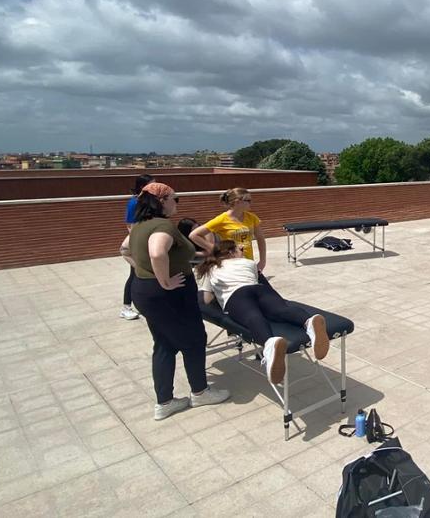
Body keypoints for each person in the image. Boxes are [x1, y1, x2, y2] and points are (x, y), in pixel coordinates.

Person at [119, 182, 230, 420]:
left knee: (164, 344)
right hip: (170, 294)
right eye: (175, 199)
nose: (176, 203)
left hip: (145, 291)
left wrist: (143, 270)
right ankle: (200, 392)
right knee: (194, 339)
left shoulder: (139, 226)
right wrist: (164, 280)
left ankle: (165, 402)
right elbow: (157, 252)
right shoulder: (162, 226)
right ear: (162, 200)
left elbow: (124, 249)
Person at [195, 241, 329, 384]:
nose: (242, 250)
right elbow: (257, 281)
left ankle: (270, 344)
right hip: (260, 290)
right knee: (281, 310)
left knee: (253, 317)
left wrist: (219, 296)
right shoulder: (248, 263)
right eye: (239, 249)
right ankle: (309, 322)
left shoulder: (211, 268)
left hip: (236, 295)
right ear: (231, 252)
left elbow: (207, 299)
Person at [190, 188, 267, 273]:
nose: (251, 203)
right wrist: (214, 248)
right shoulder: (222, 219)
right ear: (238, 202)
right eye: (248, 200)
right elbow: (194, 235)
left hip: (248, 262)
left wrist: (262, 261)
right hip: (230, 264)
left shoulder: (252, 217)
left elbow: (260, 239)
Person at [120, 174, 154, 320]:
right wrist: (139, 242)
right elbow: (130, 225)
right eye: (152, 184)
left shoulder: (149, 201)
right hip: (138, 242)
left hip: (148, 240)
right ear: (143, 186)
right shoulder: (134, 203)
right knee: (135, 273)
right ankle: (126, 307)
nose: (154, 187)